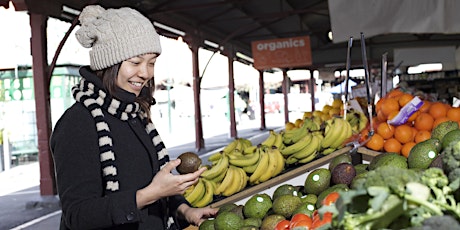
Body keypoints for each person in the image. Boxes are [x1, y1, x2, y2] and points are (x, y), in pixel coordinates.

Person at [50, 5, 218, 230]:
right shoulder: (77, 124)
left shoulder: (134, 114)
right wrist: (150, 194)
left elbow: (151, 184)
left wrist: (186, 210)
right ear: (109, 62)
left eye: (151, 62)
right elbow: (78, 216)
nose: (146, 73)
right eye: (136, 62)